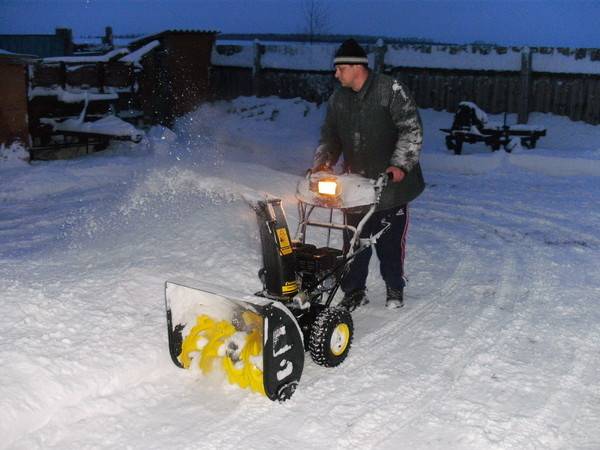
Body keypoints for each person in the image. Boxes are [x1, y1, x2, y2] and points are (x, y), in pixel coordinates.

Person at [311, 38, 425, 310]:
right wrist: (322, 164)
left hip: (392, 184)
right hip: (356, 184)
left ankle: (394, 287)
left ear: (355, 68)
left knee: (389, 242)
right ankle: (354, 291)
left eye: (340, 69)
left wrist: (399, 164)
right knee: (353, 239)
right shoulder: (338, 98)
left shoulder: (390, 90)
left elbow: (411, 129)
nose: (336, 75)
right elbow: (330, 136)